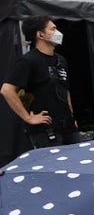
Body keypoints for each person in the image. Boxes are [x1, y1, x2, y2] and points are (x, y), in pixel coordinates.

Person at [2, 16, 79, 159]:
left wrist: (71, 116)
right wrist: (28, 118)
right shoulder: (28, 60)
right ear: (40, 34)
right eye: (53, 29)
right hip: (46, 131)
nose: (58, 33)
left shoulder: (61, 60)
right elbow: (7, 90)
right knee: (54, 167)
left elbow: (65, 89)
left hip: (68, 127)